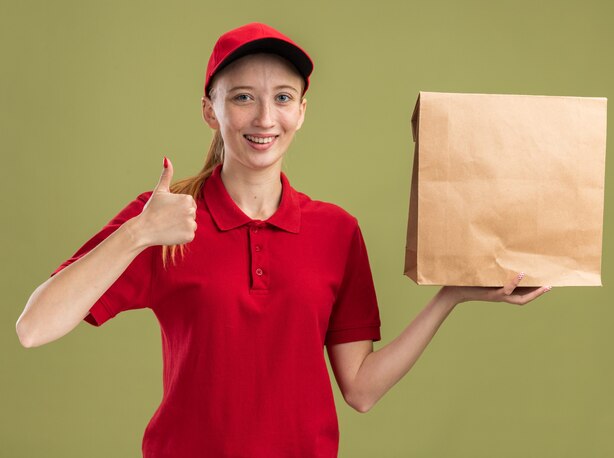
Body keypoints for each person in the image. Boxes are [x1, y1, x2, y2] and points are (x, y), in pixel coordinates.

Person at [15, 22, 550, 458]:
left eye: (283, 97)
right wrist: (137, 233)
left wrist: (450, 295)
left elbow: (360, 390)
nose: (265, 118)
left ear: (301, 111)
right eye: (243, 97)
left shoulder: (336, 230)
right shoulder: (164, 220)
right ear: (211, 110)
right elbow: (33, 328)